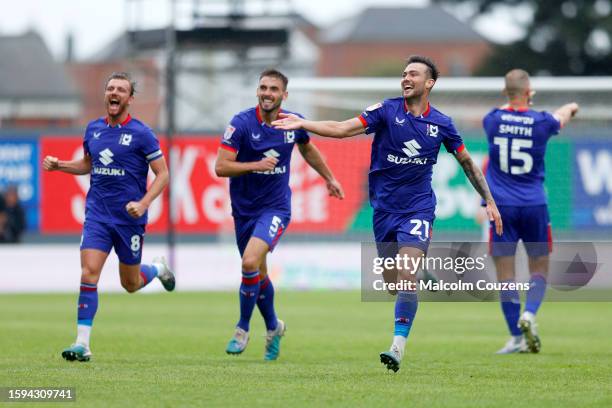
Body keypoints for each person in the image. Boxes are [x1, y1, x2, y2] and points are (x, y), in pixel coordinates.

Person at [272, 55, 503, 372]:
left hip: (419, 209)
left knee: (406, 276)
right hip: (384, 212)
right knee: (393, 283)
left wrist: (488, 200)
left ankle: (397, 346)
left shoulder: (443, 125)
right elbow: (341, 129)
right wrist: (304, 123)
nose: (406, 78)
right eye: (404, 74)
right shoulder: (385, 110)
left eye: (414, 74)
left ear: (429, 83)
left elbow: (467, 163)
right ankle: (419, 273)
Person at [42, 72, 176, 362]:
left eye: (121, 90)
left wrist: (143, 203)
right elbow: (88, 165)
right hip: (98, 216)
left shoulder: (141, 133)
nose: (114, 93)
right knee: (89, 272)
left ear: (129, 99)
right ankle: (82, 343)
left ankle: (156, 269)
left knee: (130, 284)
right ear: (106, 95)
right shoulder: (93, 129)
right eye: (110, 88)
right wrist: (60, 165)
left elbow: (163, 174)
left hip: (129, 220)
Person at [215, 69, 344, 361]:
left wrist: (329, 177)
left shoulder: (292, 122)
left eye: (274, 89)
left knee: (249, 262)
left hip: (275, 208)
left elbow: (308, 150)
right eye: (263, 87)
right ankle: (274, 327)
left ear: (284, 95)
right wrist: (255, 165)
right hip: (243, 210)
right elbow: (220, 167)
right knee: (256, 272)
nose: (267, 93)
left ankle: (242, 328)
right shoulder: (241, 124)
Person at [484, 69, 578, 354]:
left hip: (501, 207)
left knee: (505, 274)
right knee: (539, 268)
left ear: (505, 93)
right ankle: (530, 313)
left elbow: (505, 108)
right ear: (530, 92)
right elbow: (562, 115)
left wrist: (511, 99)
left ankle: (516, 336)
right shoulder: (541, 122)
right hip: (534, 204)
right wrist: (572, 107)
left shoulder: (492, 119)